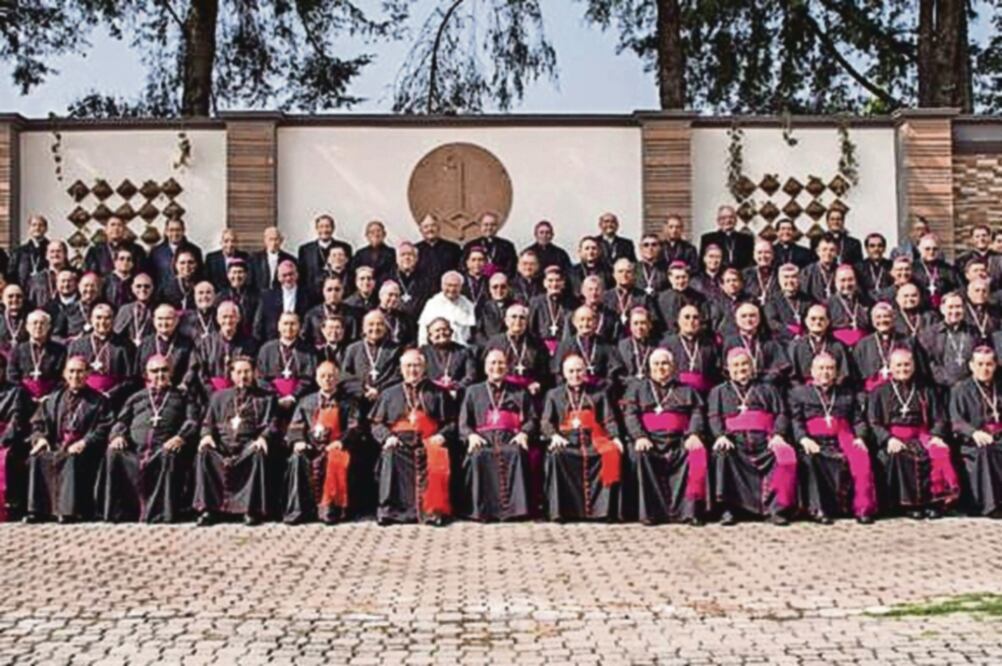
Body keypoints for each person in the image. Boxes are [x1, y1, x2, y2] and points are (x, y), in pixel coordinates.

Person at [96, 355, 200, 523]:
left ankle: (162, 513)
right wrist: (117, 436)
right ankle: (120, 512)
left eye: (164, 370)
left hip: (164, 449)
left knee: (170, 455)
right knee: (113, 453)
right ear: (147, 374)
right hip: (135, 451)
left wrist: (180, 437)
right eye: (155, 371)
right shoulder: (136, 397)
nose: (160, 374)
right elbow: (122, 420)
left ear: (171, 372)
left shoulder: (183, 397)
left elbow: (192, 421)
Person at [707, 348, 796, 525]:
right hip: (734, 440)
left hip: (765, 439)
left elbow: (782, 414)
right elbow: (714, 416)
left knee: (782, 456)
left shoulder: (768, 389)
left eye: (744, 364)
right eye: (736, 365)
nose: (740, 368)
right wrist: (719, 436)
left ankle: (775, 509)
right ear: (728, 369)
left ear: (752, 366)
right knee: (722, 454)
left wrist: (778, 435)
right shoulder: (718, 391)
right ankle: (728, 509)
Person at [867, 348, 958, 519]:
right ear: (890, 367)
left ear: (914, 366)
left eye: (907, 364)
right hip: (894, 437)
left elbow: (939, 418)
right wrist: (887, 439)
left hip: (921, 435)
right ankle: (909, 505)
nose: (903, 369)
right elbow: (873, 422)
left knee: (936, 452)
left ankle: (934, 503)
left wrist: (936, 436)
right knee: (900, 455)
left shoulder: (926, 389)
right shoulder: (878, 392)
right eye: (899, 365)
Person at [623, 349, 708, 525]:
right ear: (649, 367)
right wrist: (639, 436)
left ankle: (690, 512)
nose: (660, 368)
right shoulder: (637, 389)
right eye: (656, 364)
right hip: (649, 440)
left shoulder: (686, 390)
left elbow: (697, 413)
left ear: (673, 367)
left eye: (665, 364)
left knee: (696, 453)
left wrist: (693, 434)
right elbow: (630, 415)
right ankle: (649, 513)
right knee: (640, 455)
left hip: (679, 440)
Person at [24, 356, 113, 523]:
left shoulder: (99, 400)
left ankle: (68, 511)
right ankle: (38, 510)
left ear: (88, 374)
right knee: (38, 457)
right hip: (57, 445)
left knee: (70, 458)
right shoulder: (53, 399)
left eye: (80, 371)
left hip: (85, 450)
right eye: (71, 371)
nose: (75, 376)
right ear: (65, 374)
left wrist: (85, 442)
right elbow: (38, 423)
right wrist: (41, 438)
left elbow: (104, 427)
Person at [790, 353, 876, 524]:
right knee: (810, 459)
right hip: (814, 440)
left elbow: (857, 420)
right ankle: (818, 509)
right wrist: (803, 439)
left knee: (861, 458)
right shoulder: (799, 393)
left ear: (836, 372)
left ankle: (861, 508)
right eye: (821, 368)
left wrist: (860, 437)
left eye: (830, 368)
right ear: (812, 371)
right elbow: (796, 420)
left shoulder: (846, 394)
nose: (825, 372)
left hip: (842, 439)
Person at [370, 349, 453, 526]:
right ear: (401, 369)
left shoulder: (438, 393)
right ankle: (390, 511)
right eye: (408, 366)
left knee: (437, 456)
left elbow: (452, 423)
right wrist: (387, 437)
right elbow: (376, 423)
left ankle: (431, 511)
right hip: (398, 443)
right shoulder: (389, 393)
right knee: (390, 454)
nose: (412, 370)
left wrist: (441, 436)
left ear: (424, 368)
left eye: (417, 365)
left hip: (428, 441)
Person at [194, 356, 279, 526]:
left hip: (248, 446)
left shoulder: (267, 398)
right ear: (231, 375)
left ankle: (250, 510)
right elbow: (207, 422)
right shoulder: (219, 397)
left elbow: (272, 423)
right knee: (205, 452)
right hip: (222, 447)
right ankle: (208, 509)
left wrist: (263, 438)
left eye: (247, 371)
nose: (243, 376)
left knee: (257, 452)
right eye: (238, 372)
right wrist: (206, 435)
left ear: (254, 373)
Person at [541, 354, 624, 521]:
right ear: (564, 373)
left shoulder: (599, 393)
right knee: (557, 455)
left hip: (593, 440)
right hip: (567, 441)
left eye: (579, 370)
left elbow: (609, 419)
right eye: (571, 371)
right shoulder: (553, 394)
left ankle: (603, 512)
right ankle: (561, 512)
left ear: (585, 371)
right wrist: (554, 436)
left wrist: (615, 437)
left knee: (610, 453)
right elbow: (546, 421)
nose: (575, 375)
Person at [457, 349, 536, 522]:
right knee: (478, 455)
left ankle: (517, 510)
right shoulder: (472, 391)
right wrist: (470, 436)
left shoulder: (520, 391)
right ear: (485, 368)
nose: (497, 367)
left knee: (516, 452)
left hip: (510, 438)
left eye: (501, 363)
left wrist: (524, 433)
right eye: (492, 363)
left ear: (507, 367)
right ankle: (481, 510)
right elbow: (463, 423)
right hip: (483, 439)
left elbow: (531, 419)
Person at [283, 361, 361, 524]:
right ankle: (299, 510)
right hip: (311, 446)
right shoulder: (305, 401)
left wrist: (341, 442)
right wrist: (298, 441)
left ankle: (331, 508)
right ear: (317, 379)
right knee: (297, 458)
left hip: (336, 446)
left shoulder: (349, 402)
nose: (327, 380)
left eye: (331, 376)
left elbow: (354, 427)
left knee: (337, 458)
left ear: (338, 378)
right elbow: (296, 425)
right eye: (323, 376)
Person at [949, 346, 1002, 517]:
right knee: (986, 450)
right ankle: (991, 505)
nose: (984, 369)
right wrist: (974, 433)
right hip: (974, 442)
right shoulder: (960, 389)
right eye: (980, 364)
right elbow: (956, 421)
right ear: (971, 365)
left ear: (995, 365)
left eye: (989, 364)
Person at [66, 304, 134, 411]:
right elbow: (69, 373)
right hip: (84, 400)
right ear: (91, 320)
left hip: (114, 400)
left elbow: (130, 378)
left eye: (107, 318)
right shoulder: (78, 344)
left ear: (114, 320)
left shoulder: (125, 345)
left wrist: (110, 393)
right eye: (98, 317)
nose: (102, 322)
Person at [482, 304, 549, 397]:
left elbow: (545, 372)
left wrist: (539, 383)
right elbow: (484, 370)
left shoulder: (537, 344)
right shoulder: (494, 343)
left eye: (522, 318)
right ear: (506, 320)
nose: (518, 321)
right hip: (502, 391)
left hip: (529, 393)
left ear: (527, 321)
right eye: (514, 317)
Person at [196, 301, 259, 397]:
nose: (228, 321)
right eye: (224, 317)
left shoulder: (250, 343)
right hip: (211, 396)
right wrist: (213, 394)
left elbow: (253, 371)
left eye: (232, 317)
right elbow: (201, 372)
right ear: (218, 319)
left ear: (238, 319)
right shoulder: (206, 343)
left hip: (241, 394)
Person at [257, 313, 317, 412]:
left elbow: (309, 378)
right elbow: (261, 378)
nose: (289, 328)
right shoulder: (266, 349)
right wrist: (277, 396)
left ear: (299, 326)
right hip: (271, 400)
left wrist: (293, 396)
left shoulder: (309, 350)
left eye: (293, 324)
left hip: (300, 399)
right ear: (279, 326)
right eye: (285, 323)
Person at [919, 292, 976, 390]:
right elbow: (928, 363)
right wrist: (950, 381)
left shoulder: (974, 332)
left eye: (958, 307)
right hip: (941, 388)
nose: (954, 311)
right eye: (950, 307)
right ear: (942, 309)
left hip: (969, 389)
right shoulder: (930, 334)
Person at [0, 353, 33, 521]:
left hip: (9, 440)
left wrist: (3, 440)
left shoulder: (16, 391)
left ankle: (10, 504)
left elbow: (16, 420)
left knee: (8, 457)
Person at [137, 305, 197, 395]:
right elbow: (138, 369)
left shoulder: (186, 343)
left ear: (176, 321)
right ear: (154, 321)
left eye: (168, 318)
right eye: (160, 319)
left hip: (177, 392)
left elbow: (192, 367)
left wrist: (184, 384)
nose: (164, 323)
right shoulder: (146, 343)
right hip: (149, 393)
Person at [787, 304, 852, 386]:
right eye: (813, 319)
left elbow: (842, 375)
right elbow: (792, 377)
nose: (817, 322)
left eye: (821, 319)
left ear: (828, 322)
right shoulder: (795, 346)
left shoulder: (838, 346)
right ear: (806, 321)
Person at [8, 310, 66, 401]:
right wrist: (25, 396)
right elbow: (12, 376)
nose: (38, 326)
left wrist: (50, 396)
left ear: (49, 327)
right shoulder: (18, 349)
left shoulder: (59, 350)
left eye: (42, 323)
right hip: (21, 399)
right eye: (35, 323)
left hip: (50, 399)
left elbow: (61, 378)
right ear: (27, 327)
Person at [661, 304, 719, 395]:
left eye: (695, 317)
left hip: (704, 395)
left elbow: (715, 373)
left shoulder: (709, 344)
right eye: (687, 317)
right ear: (679, 321)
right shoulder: (667, 344)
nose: (691, 321)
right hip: (676, 394)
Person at [253, 260, 310, 341]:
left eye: (291, 274)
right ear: (278, 277)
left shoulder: (308, 295)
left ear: (297, 275)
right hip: (273, 342)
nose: (288, 278)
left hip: (301, 343)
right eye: (284, 275)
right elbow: (258, 324)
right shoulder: (267, 297)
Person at [417, 271, 476, 347]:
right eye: (449, 285)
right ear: (442, 286)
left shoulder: (468, 305)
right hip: (437, 349)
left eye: (455, 286)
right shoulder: (432, 303)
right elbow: (423, 331)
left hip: (462, 349)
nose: (451, 289)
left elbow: (473, 331)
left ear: (461, 287)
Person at [297, 214, 353, 292]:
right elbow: (302, 276)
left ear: (333, 229)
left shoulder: (345, 247)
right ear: (316, 229)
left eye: (327, 226)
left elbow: (349, 273)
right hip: (312, 296)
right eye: (321, 227)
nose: (324, 230)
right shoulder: (305, 250)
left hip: (338, 293)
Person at [528, 267, 575, 355]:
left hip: (564, 347)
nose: (554, 284)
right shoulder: (536, 302)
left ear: (563, 283)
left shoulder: (572, 303)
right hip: (541, 348)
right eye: (550, 280)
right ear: (544, 283)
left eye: (558, 280)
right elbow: (531, 329)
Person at [148, 218, 203, 286]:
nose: (175, 233)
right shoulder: (156, 252)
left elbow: (200, 275)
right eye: (171, 230)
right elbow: (151, 276)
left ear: (183, 231)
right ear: (166, 232)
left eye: (178, 230)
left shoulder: (195, 250)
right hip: (163, 294)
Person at [764, 264, 812, 341]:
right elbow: (772, 322)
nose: (790, 281)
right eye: (786, 277)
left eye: (793, 277)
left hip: (805, 340)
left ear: (799, 279)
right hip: (782, 341)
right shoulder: (772, 300)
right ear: (780, 280)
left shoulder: (807, 299)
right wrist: (790, 331)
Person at [699, 205, 753, 269]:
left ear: (736, 220)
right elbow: (702, 263)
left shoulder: (747, 239)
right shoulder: (708, 239)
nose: (728, 220)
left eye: (731, 217)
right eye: (723, 218)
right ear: (718, 221)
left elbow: (750, 263)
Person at [413, 215, 462, 287]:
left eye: (433, 225)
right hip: (421, 292)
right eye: (426, 227)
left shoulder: (453, 248)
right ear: (421, 230)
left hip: (447, 292)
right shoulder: (414, 250)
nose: (430, 229)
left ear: (439, 228)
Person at [464, 212, 517, 276]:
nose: (489, 228)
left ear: (497, 227)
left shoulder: (507, 246)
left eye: (493, 225)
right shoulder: (470, 245)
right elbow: (463, 266)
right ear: (480, 226)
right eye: (486, 225)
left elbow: (511, 268)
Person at [912, 234, 958, 310]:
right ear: (919, 249)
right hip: (921, 310)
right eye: (927, 249)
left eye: (935, 249)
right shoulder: (913, 268)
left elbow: (957, 288)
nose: (931, 252)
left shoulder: (948, 269)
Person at [112, 273, 155, 347]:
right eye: (138, 286)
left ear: (152, 288)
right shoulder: (125, 309)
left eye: (147, 286)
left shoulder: (157, 309)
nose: (143, 289)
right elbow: (116, 332)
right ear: (132, 288)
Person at [249, 226, 297, 293]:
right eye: (270, 239)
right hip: (259, 296)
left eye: (276, 239)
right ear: (265, 240)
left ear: (281, 240)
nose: (273, 243)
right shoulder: (254, 258)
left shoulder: (290, 259)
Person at [351, 220, 396, 284]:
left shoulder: (392, 253)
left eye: (378, 231)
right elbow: (354, 272)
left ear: (384, 234)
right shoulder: (360, 254)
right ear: (367, 236)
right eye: (372, 232)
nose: (376, 234)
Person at [204, 228, 250, 293]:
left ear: (237, 243)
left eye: (233, 241)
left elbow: (248, 278)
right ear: (221, 243)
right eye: (226, 241)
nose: (230, 245)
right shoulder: (211, 258)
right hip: (218, 295)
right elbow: (207, 280)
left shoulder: (245, 257)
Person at [12, 215, 49, 288]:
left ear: (46, 229)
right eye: (34, 225)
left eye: (40, 225)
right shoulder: (19, 251)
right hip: (24, 291)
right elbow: (12, 274)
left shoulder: (52, 250)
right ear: (29, 229)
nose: (37, 228)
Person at [856, 233, 893, 301]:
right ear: (867, 249)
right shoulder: (858, 267)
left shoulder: (891, 265)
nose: (876, 249)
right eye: (872, 246)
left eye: (880, 246)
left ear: (884, 248)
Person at [742, 240, 779, 306]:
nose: (763, 256)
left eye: (767, 252)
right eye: (759, 253)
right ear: (754, 255)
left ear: (773, 255)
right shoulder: (745, 274)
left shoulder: (780, 273)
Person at [0, 285, 27, 356]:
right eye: (10, 296)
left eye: (18, 296)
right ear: (2, 300)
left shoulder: (29, 319)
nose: (15, 299)